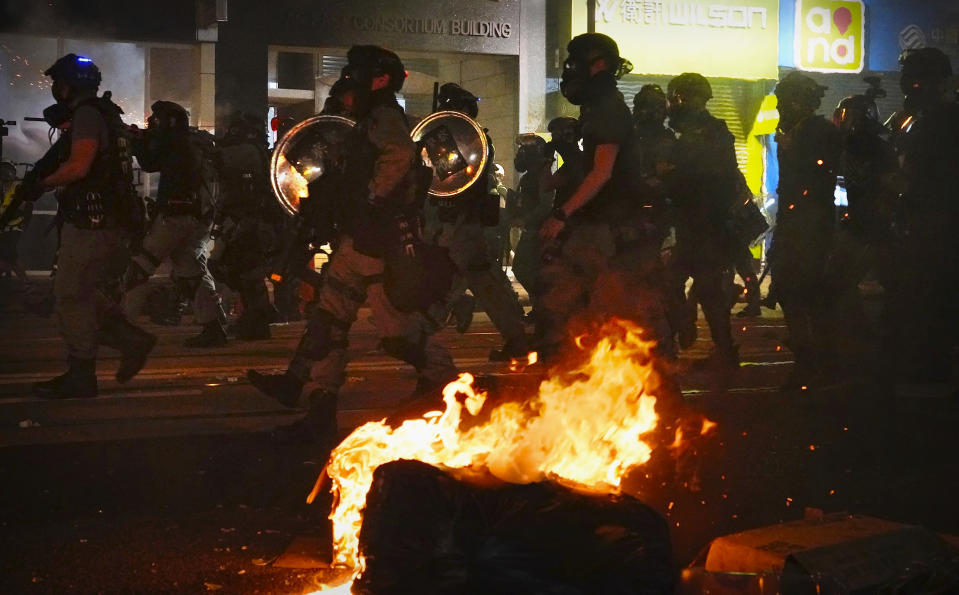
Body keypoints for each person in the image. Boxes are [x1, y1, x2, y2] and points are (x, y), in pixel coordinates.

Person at [247, 45, 457, 444]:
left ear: (378, 80)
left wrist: (373, 199)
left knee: (395, 330)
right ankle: (315, 403)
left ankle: (445, 382)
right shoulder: (367, 122)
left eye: (357, 73)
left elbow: (398, 156)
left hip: (380, 241)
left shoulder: (384, 116)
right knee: (330, 318)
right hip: (361, 237)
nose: (349, 81)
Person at [27, 54, 155, 399]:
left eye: (58, 83)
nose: (55, 89)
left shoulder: (86, 115)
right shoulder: (109, 116)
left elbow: (80, 167)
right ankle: (132, 340)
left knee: (71, 296)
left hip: (91, 224)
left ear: (68, 86)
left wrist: (43, 184)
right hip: (111, 224)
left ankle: (82, 375)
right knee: (82, 293)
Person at [538, 33, 662, 359]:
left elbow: (601, 172)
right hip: (598, 224)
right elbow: (582, 168)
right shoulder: (596, 110)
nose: (569, 72)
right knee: (578, 306)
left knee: (609, 315)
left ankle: (647, 390)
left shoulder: (608, 110)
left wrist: (560, 215)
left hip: (610, 227)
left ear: (599, 65)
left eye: (575, 64)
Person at [424, 82, 528, 360]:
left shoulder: (475, 139)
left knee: (481, 277)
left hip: (465, 219)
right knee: (450, 274)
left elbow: (455, 175)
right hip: (445, 217)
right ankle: (432, 322)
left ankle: (516, 335)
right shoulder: (443, 135)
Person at [123, 100, 227, 347]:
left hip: (176, 217)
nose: (151, 124)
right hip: (197, 218)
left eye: (155, 121)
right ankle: (214, 327)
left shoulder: (175, 141)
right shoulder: (193, 142)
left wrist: (135, 141)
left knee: (140, 267)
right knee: (191, 274)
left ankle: (121, 327)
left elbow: (149, 162)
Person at [886, 48, 959, 388]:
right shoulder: (923, 120)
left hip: (940, 230)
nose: (908, 86)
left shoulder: (942, 121)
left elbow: (927, 178)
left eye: (915, 80)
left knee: (934, 304)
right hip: (927, 226)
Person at [662, 72, 740, 369]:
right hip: (693, 226)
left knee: (702, 290)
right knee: (692, 288)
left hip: (705, 227)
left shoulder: (709, 133)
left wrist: (671, 174)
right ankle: (714, 345)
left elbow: (709, 179)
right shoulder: (698, 133)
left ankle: (718, 348)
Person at [770, 71, 841, 389]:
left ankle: (820, 361)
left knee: (810, 292)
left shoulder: (820, 131)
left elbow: (819, 176)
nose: (782, 107)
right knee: (788, 289)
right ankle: (808, 358)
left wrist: (793, 148)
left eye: (787, 100)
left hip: (813, 224)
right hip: (792, 221)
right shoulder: (789, 130)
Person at [211, 112, 278, 340]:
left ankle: (257, 319)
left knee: (243, 271)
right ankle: (257, 317)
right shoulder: (254, 151)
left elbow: (218, 159)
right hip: (247, 221)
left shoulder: (249, 151)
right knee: (244, 271)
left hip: (248, 222)